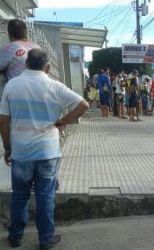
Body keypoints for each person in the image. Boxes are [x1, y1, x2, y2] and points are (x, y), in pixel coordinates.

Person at [0, 48, 89, 249]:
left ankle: (15, 236)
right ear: (47, 67)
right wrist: (63, 121)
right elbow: (83, 104)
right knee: (45, 196)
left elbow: (3, 120)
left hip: (21, 152)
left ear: (25, 64)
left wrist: (7, 147)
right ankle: (45, 239)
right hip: (47, 152)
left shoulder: (12, 85)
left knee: (20, 195)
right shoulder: (54, 86)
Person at [0, 19, 40, 98]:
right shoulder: (37, 48)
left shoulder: (11, 47)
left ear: (10, 34)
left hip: (17, 94)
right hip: (38, 92)